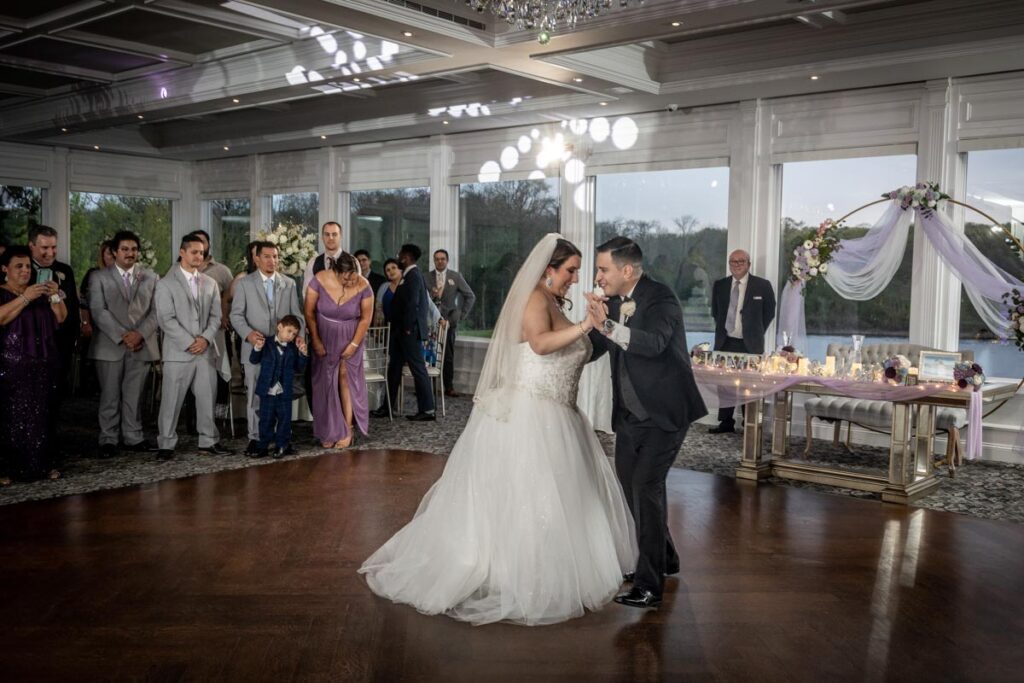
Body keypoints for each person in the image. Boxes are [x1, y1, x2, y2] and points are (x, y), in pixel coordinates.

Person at [360, 234, 636, 625]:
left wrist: (598, 327)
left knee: (563, 496)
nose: (577, 277)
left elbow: (564, 353)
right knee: (525, 495)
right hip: (531, 415)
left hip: (559, 414)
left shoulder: (553, 300)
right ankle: (512, 571)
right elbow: (540, 345)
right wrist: (585, 327)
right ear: (549, 270)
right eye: (571, 270)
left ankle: (556, 566)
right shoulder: (534, 299)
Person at [585, 236, 707, 610]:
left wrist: (606, 326)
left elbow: (653, 343)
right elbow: (599, 345)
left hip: (666, 413)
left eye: (603, 269)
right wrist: (560, 351)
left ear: (627, 270)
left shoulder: (662, 298)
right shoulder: (617, 302)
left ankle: (649, 584)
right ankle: (665, 557)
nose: (598, 276)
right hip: (629, 414)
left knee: (645, 487)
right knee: (631, 490)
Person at [153, 234, 232, 460]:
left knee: (207, 397)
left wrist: (205, 339)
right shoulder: (166, 283)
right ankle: (166, 444)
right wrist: (189, 342)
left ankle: (208, 441)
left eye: (202, 252)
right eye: (194, 252)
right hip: (178, 352)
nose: (199, 256)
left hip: (205, 350)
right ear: (182, 252)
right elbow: (165, 319)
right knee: (171, 400)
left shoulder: (211, 283)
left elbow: (217, 317)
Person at [87, 230, 161, 457]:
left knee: (134, 395)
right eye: (125, 249)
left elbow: (157, 312)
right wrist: (123, 335)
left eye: (134, 249)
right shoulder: (99, 277)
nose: (130, 253)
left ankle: (133, 437)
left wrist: (139, 334)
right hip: (110, 345)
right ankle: (108, 438)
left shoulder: (151, 277)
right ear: (115, 252)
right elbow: (98, 311)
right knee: (110, 395)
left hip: (141, 344)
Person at [0, 246, 68, 483]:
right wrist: (25, 297)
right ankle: (8, 468)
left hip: (45, 361)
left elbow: (61, 316)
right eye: (19, 266)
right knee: (13, 416)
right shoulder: (4, 293)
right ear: (4, 269)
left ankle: (44, 464)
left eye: (28, 266)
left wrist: (55, 295)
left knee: (44, 414)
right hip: (12, 364)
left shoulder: (40, 293)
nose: (25, 270)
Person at [230, 241, 303, 456]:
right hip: (256, 349)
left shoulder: (288, 283)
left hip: (283, 352)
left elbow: (296, 314)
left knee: (281, 396)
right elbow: (236, 315)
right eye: (268, 256)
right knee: (256, 394)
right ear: (257, 258)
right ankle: (256, 438)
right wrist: (248, 334)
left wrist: (298, 336)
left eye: (276, 257)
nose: (273, 261)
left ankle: (282, 437)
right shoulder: (245, 284)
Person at [305, 252, 373, 449]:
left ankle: (347, 429)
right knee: (325, 381)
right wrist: (316, 340)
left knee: (345, 378)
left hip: (352, 337)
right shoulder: (319, 280)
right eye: (346, 278)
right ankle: (327, 429)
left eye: (354, 277)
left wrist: (353, 344)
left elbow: (366, 318)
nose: (351, 281)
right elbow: (309, 312)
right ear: (336, 272)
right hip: (324, 337)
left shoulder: (363, 285)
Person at [709, 249, 775, 434]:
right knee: (725, 384)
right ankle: (726, 422)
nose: (736, 264)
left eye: (741, 261)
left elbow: (769, 312)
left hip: (750, 344)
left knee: (750, 385)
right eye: (733, 261)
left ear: (749, 264)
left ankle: (749, 423)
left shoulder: (762, 286)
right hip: (726, 341)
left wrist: (755, 331)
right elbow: (716, 312)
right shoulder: (720, 285)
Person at [372, 243, 434, 421]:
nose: (398, 256)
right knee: (394, 369)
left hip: (409, 331)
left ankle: (427, 410)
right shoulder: (408, 276)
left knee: (417, 368)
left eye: (400, 254)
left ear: (406, 257)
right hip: (399, 332)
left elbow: (412, 304)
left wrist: (407, 327)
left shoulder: (413, 275)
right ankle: (387, 406)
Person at [249, 315, 308, 459]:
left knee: (284, 420)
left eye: (294, 334)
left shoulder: (293, 348)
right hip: (267, 391)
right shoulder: (266, 343)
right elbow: (253, 360)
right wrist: (257, 348)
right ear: (279, 327)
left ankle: (282, 445)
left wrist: (303, 354)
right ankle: (263, 446)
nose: (291, 336)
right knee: (266, 419)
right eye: (289, 331)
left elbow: (299, 368)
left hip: (284, 391)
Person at [428, 248, 476, 397]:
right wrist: (432, 294)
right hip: (430, 321)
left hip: (449, 321)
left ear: (447, 260)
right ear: (434, 260)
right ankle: (427, 387)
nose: (440, 261)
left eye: (442, 259)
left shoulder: (455, 276)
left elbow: (470, 296)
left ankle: (448, 386)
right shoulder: (426, 277)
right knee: (429, 354)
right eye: (437, 259)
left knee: (447, 355)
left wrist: (460, 315)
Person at [79, 240, 114, 345]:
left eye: (115, 253)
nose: (112, 257)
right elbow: (83, 301)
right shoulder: (92, 274)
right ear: (102, 255)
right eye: (109, 253)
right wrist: (85, 322)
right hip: (95, 326)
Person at [373, 258, 402, 326]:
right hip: (387, 328)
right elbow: (378, 311)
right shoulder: (384, 287)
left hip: (407, 329)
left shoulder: (410, 284)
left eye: (393, 267)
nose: (391, 271)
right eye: (388, 270)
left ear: (400, 269)